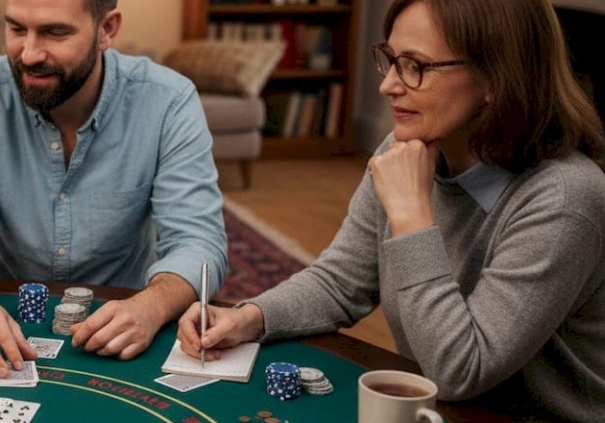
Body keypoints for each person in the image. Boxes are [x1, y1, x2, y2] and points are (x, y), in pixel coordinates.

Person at [176, 0, 605, 421]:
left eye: (416, 66)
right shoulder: (406, 150)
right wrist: (248, 318)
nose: (388, 85)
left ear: (495, 76)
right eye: (391, 60)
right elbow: (341, 282)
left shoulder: (566, 198)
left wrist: (412, 212)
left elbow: (460, 371)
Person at [0, 0, 227, 379]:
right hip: (3, 314)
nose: (29, 54)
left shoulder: (169, 101)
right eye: (16, 29)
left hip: (125, 323)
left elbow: (199, 242)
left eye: (55, 32)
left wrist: (151, 307)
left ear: (107, 30)